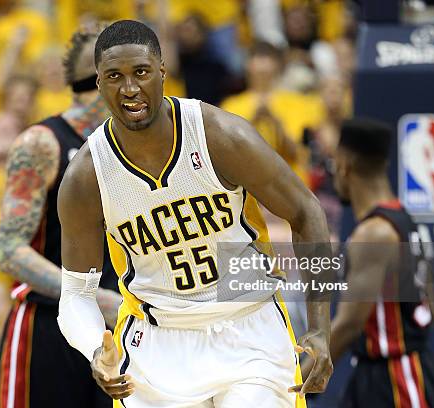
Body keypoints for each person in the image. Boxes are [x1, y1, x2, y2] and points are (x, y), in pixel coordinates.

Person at [57, 20, 333, 407]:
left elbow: (306, 211)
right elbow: (75, 294)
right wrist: (94, 351)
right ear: (99, 84)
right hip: (155, 343)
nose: (130, 89)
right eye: (114, 77)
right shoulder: (87, 175)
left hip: (248, 329)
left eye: (141, 72)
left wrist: (319, 328)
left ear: (163, 74)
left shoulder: (219, 135)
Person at [0, 26, 122, 408]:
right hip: (49, 326)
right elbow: (9, 250)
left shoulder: (135, 147)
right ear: (104, 79)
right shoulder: (42, 143)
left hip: (120, 329)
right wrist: (94, 297)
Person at [302, 118, 434, 407]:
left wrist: (293, 385)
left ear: (344, 164)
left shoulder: (373, 234)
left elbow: (348, 325)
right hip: (395, 371)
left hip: (397, 380)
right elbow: (431, 306)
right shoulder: (403, 217)